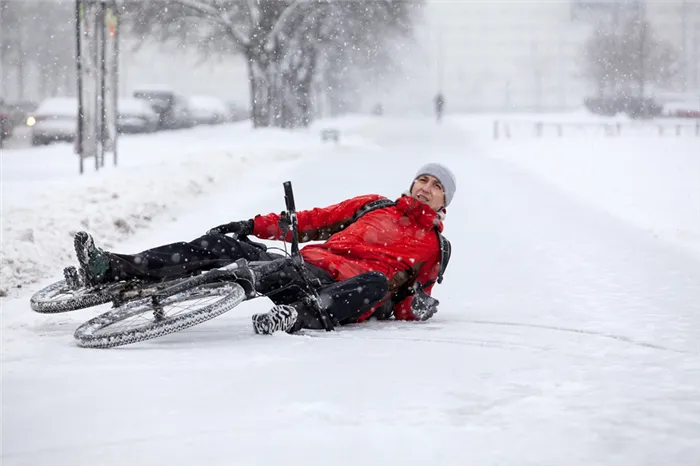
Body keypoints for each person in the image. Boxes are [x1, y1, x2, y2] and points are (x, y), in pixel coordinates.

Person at [72, 163, 456, 335]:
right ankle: (113, 268)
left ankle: (296, 317)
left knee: (374, 281)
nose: (424, 187)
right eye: (421, 179)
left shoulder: (434, 247)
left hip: (338, 293)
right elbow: (310, 220)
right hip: (305, 265)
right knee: (221, 246)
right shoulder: (374, 204)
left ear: (444, 201)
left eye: (435, 185)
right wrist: (251, 226)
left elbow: (408, 301)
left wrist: (417, 307)